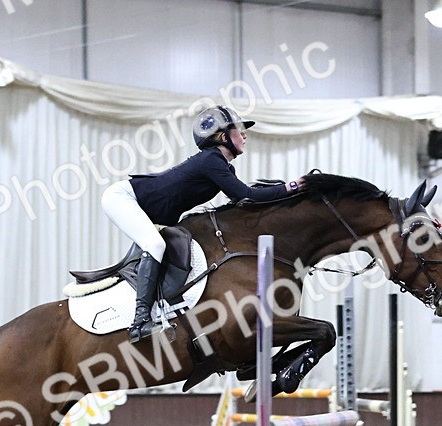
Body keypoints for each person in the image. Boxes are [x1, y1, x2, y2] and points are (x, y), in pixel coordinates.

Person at [102, 105, 309, 342]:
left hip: (145, 208)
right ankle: (139, 323)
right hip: (122, 198)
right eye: (239, 131)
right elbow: (246, 195)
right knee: (155, 246)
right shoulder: (211, 160)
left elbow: (244, 200)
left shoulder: (219, 164)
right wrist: (291, 187)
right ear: (223, 137)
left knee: (160, 248)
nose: (245, 135)